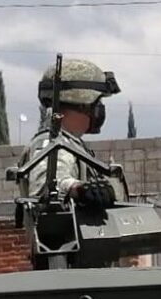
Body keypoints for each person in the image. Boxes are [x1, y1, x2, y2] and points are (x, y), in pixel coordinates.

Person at [18, 58, 122, 208]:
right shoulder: (53, 143)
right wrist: (77, 189)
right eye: (97, 103)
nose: (100, 109)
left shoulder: (71, 143)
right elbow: (46, 183)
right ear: (82, 103)